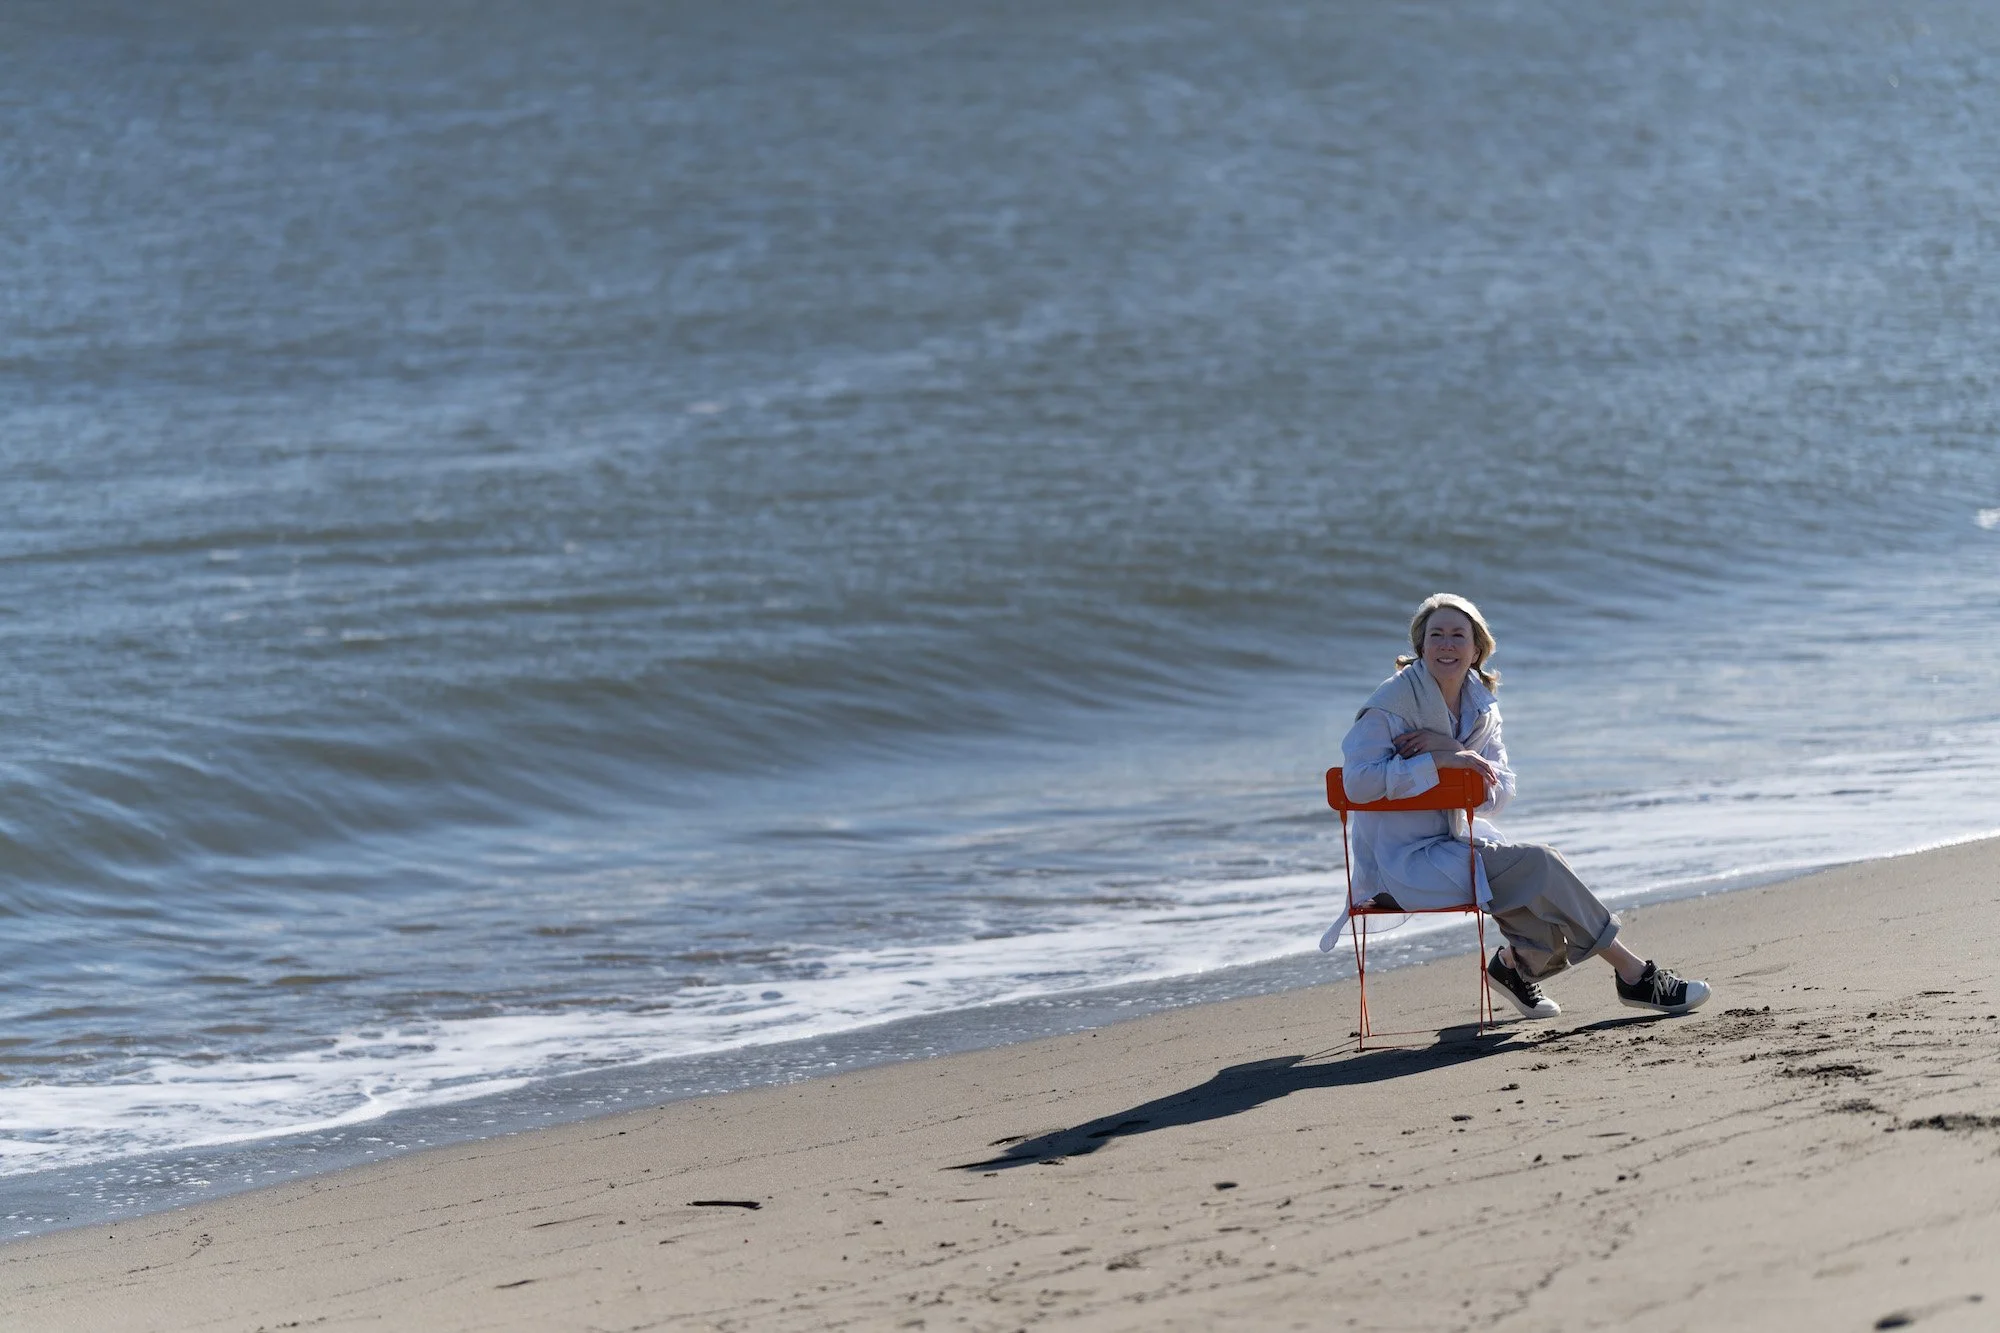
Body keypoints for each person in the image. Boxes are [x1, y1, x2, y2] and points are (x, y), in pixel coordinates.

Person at [1321, 592, 1710, 1019]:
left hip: (1453, 844)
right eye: (1436, 636)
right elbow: (1357, 785)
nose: (1446, 645)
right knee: (1541, 865)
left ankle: (1511, 968)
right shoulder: (1391, 705)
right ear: (1421, 647)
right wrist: (1439, 761)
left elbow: (1500, 793)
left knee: (1539, 910)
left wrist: (1454, 749)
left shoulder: (1480, 708)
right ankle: (1635, 975)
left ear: (1476, 649)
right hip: (1398, 865)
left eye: (1457, 635)